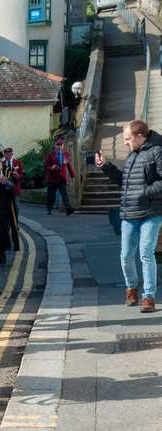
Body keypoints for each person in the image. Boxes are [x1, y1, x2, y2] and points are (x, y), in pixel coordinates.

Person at [96, 120, 162, 313]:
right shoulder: (133, 155)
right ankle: (131, 288)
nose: (125, 143)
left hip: (150, 213)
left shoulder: (157, 151)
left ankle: (148, 296)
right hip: (128, 213)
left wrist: (144, 191)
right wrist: (106, 166)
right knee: (125, 256)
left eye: (127, 139)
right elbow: (124, 182)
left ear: (140, 136)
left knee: (145, 254)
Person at [0, 147, 20, 265]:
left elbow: (12, 186)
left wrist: (6, 182)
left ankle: (1, 252)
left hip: (2, 206)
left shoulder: (5, 170)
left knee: (1, 231)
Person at [44, 135, 76, 216]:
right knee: (51, 195)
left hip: (62, 177)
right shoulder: (50, 154)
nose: (59, 147)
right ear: (55, 145)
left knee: (64, 194)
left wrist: (72, 175)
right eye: (57, 145)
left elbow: (68, 165)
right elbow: (45, 166)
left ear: (63, 145)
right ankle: (49, 208)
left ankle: (68, 209)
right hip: (52, 178)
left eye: (61, 145)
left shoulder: (66, 154)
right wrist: (52, 167)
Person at [2, 147, 24, 212]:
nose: (7, 156)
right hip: (5, 188)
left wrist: (18, 176)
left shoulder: (18, 162)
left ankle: (16, 220)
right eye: (6, 154)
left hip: (15, 187)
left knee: (16, 205)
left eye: (9, 154)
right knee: (5, 206)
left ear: (12, 154)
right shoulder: (2, 163)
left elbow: (22, 174)